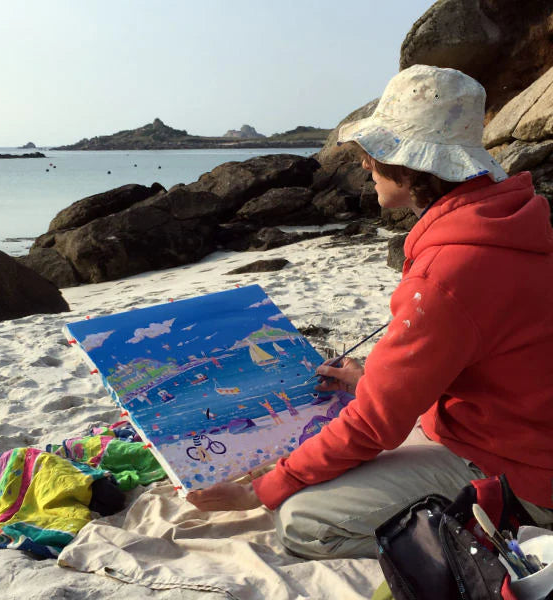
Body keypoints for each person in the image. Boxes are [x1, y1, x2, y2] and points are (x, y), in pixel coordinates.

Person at [187, 64, 553, 559]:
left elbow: (374, 426)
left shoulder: (447, 272)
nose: (365, 164)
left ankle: (491, 538)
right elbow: (478, 352)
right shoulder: (514, 226)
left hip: (522, 476)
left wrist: (262, 490)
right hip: (523, 436)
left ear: (412, 165)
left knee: (302, 522)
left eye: (377, 153)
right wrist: (372, 380)